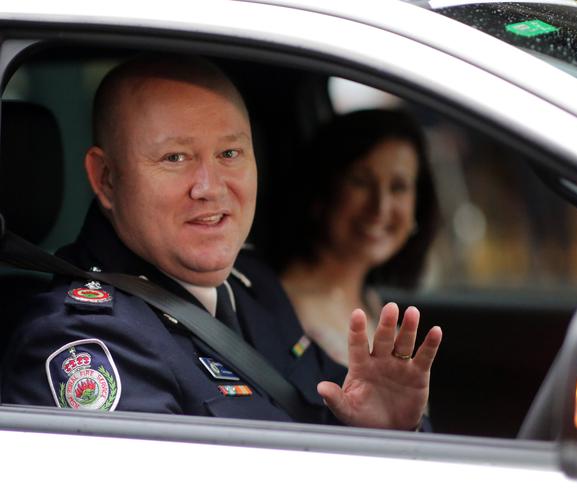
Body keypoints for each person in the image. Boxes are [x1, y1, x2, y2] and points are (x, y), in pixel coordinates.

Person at [1, 54, 442, 431]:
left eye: (229, 154)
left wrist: (380, 433)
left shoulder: (255, 285)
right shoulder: (86, 342)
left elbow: (319, 414)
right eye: (175, 158)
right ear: (107, 179)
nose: (210, 187)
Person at [272, 109, 436, 366]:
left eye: (399, 187)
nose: (380, 208)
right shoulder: (278, 306)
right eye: (361, 181)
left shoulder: (369, 301)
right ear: (322, 190)